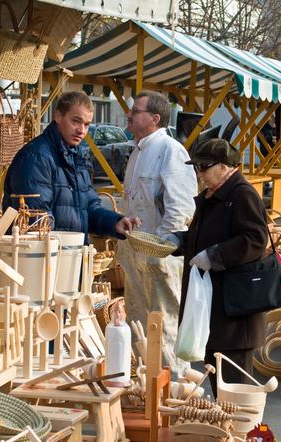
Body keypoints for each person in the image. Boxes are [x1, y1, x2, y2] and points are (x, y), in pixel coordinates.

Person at [166, 138, 268, 395]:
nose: (199, 173)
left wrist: (215, 255)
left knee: (235, 392)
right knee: (219, 384)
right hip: (215, 310)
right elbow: (204, 237)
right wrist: (178, 240)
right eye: (196, 167)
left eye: (203, 167)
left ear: (224, 166)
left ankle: (242, 435)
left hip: (235, 313)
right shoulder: (213, 195)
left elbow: (255, 240)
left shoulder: (242, 193)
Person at [117, 91, 197, 376]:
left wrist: (162, 250)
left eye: (136, 111)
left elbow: (181, 207)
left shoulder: (170, 150)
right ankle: (146, 389)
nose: (130, 114)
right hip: (137, 254)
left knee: (164, 325)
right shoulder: (137, 151)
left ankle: (175, 387)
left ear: (154, 118)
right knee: (139, 326)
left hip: (160, 257)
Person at [2, 91, 139, 240]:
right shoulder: (36, 157)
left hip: (70, 255)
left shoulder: (77, 156)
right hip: (46, 257)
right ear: (58, 116)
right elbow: (35, 222)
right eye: (75, 121)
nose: (82, 130)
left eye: (86, 124)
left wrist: (115, 222)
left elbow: (88, 208)